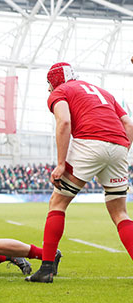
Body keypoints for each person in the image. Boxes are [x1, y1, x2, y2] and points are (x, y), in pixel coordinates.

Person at [27, 62, 133, 283]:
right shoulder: (103, 92)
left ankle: (46, 269)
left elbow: (64, 121)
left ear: (54, 81)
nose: (48, 89)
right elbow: (128, 124)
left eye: (49, 83)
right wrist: (120, 152)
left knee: (57, 203)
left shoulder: (60, 91)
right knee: (120, 213)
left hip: (88, 143)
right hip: (119, 145)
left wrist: (60, 164)